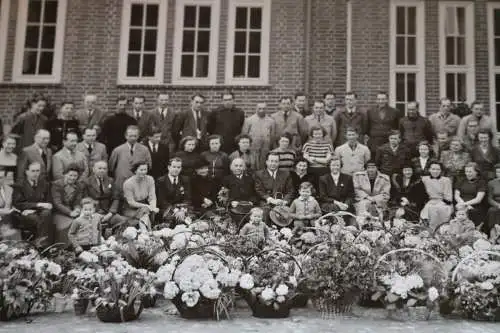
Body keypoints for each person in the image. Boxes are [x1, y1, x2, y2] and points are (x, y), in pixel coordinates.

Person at [12, 162, 53, 247]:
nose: (35, 173)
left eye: (37, 171)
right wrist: (38, 204)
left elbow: (48, 202)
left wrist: (35, 208)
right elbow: (18, 203)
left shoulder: (44, 184)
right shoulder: (19, 185)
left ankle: (40, 245)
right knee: (38, 219)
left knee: (47, 213)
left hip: (38, 211)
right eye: (33, 171)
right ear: (27, 172)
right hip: (24, 214)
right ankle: (43, 245)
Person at [81, 161, 130, 232]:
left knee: (123, 221)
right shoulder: (87, 182)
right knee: (93, 228)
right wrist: (94, 214)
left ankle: (114, 238)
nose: (102, 170)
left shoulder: (110, 180)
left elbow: (116, 198)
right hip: (93, 212)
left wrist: (110, 213)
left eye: (104, 168)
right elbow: (85, 200)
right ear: (93, 169)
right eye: (99, 168)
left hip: (108, 212)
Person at [122, 162, 159, 230]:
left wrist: (153, 207)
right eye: (141, 170)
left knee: (147, 211)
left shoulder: (150, 179)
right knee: (145, 212)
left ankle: (145, 232)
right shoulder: (128, 183)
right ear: (135, 171)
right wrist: (147, 206)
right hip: (130, 208)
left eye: (145, 170)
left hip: (144, 207)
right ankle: (147, 231)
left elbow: (152, 197)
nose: (143, 172)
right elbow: (131, 202)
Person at [51, 166, 83, 245]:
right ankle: (62, 247)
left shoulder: (78, 185)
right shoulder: (57, 185)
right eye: (70, 175)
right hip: (58, 212)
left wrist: (77, 209)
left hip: (71, 211)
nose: (72, 178)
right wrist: (70, 213)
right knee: (70, 224)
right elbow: (57, 203)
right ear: (65, 174)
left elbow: (77, 202)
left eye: (75, 176)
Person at [241, 102, 276, 170]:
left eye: (263, 108)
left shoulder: (271, 121)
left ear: (266, 109)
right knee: (253, 166)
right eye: (259, 108)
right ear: (256, 109)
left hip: (265, 149)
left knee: (264, 166)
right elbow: (244, 135)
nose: (261, 110)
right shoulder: (249, 120)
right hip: (253, 149)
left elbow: (272, 136)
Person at [420, 161, 453, 231]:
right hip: (429, 202)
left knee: (434, 209)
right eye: (433, 169)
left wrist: (438, 204)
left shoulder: (446, 180)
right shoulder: (424, 179)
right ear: (429, 170)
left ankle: (436, 230)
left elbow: (448, 197)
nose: (435, 171)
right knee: (429, 209)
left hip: (443, 203)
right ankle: (429, 231)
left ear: (441, 170)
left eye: (438, 169)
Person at [454, 162, 487, 228]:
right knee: (457, 212)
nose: (467, 174)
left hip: (475, 205)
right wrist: (463, 204)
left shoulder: (481, 182)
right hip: (461, 203)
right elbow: (456, 195)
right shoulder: (461, 180)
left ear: (476, 172)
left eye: (470, 172)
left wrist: (465, 205)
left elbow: (478, 199)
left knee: (472, 212)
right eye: (466, 171)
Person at [486, 164, 500, 235]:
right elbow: (489, 199)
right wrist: (498, 205)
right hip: (496, 204)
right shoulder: (491, 183)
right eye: (498, 172)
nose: (499, 174)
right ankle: (493, 234)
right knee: (492, 211)